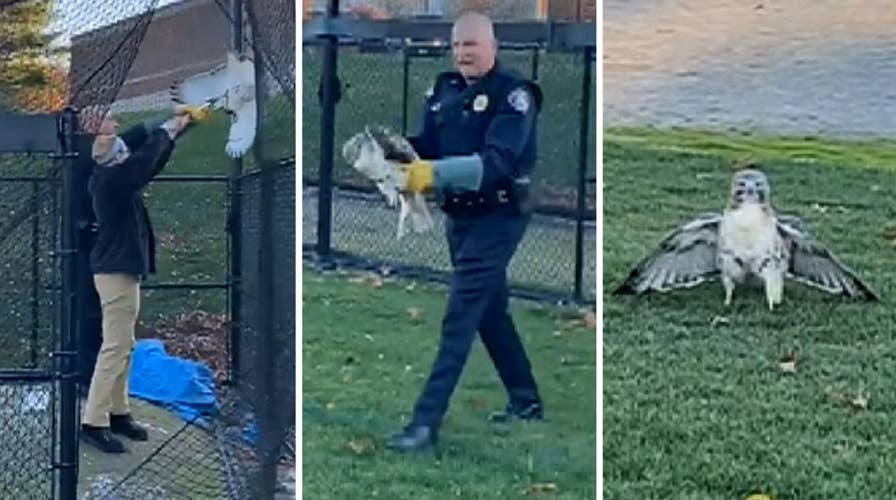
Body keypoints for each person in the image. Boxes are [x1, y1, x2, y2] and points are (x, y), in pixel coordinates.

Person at [386, 11, 544, 451]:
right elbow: (426, 145)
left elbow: (497, 164)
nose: (463, 54)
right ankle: (526, 400)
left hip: (499, 216)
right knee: (490, 311)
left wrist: (431, 173)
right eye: (457, 45)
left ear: (492, 46)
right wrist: (391, 154)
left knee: (462, 313)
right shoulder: (445, 91)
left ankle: (424, 423)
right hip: (460, 219)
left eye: (471, 45)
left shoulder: (514, 96)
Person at [79, 106, 204, 453]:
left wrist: (176, 131)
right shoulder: (111, 178)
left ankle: (118, 413)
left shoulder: (115, 174)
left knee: (125, 345)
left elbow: (149, 164)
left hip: (121, 269)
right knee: (115, 347)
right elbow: (141, 164)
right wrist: (170, 130)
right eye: (109, 124)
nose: (117, 124)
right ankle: (93, 421)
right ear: (102, 142)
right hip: (114, 271)